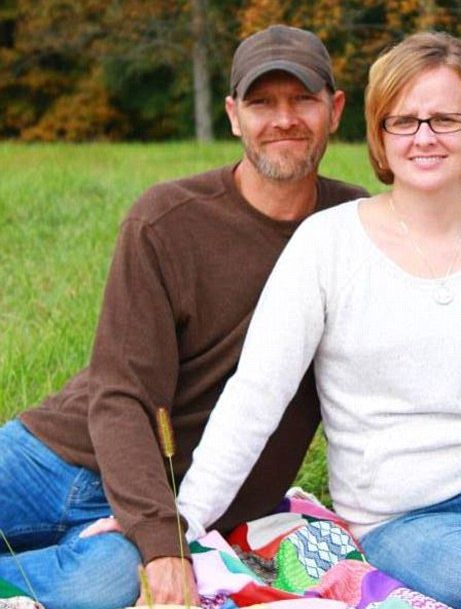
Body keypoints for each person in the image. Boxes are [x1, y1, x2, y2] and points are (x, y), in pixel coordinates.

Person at [177, 31, 461, 609]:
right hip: (401, 514)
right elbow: (255, 395)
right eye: (404, 121)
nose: (424, 137)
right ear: (380, 132)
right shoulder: (327, 244)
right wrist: (182, 519)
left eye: (445, 118)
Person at [0, 24, 367, 609]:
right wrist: (158, 534)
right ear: (233, 115)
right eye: (261, 102)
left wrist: (163, 537)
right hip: (60, 456)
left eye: (303, 99)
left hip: (188, 501)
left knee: (105, 584)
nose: (284, 119)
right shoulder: (166, 219)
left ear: (336, 109)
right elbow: (120, 393)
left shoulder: (360, 231)